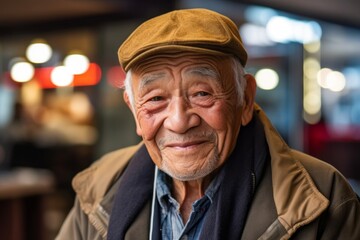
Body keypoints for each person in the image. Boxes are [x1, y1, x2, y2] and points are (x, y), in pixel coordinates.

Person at [56, 8, 360, 240]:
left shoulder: (324, 196)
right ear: (134, 110)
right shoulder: (99, 187)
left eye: (202, 93)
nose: (179, 121)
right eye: (155, 98)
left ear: (245, 99)